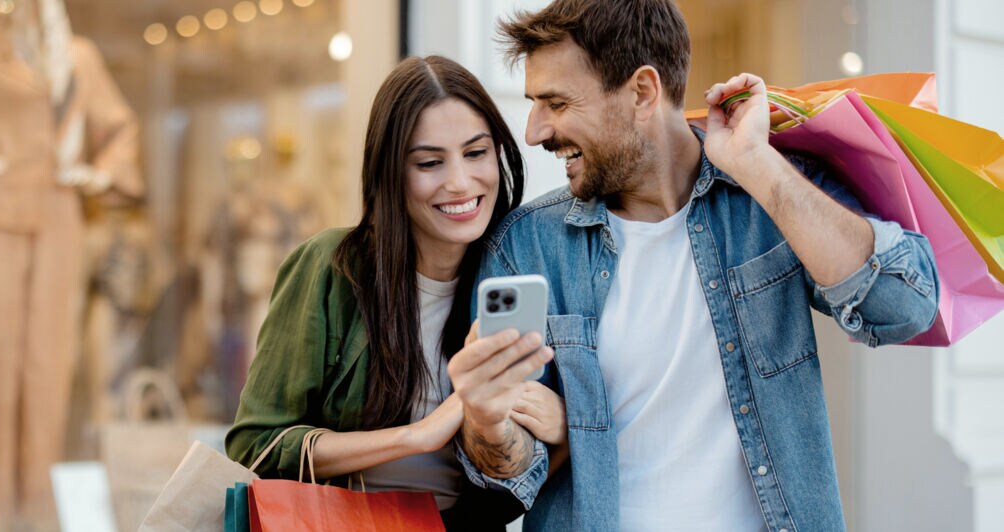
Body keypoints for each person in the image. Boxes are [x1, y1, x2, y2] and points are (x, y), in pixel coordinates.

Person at [447, 1, 940, 531]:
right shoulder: (528, 247)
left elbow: (907, 306)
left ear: (642, 92)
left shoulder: (765, 197)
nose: (535, 130)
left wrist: (759, 169)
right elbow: (514, 474)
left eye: (557, 103)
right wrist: (486, 421)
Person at [225, 55, 559, 530]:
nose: (460, 182)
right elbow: (256, 446)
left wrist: (561, 430)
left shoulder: (517, 275)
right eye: (429, 162)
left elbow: (520, 483)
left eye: (476, 153)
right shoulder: (332, 267)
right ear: (390, 173)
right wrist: (418, 435)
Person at [0, 0, 141, 528]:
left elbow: (119, 129)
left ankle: (37, 510)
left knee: (49, 365)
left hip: (57, 218)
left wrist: (99, 172)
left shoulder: (77, 57)